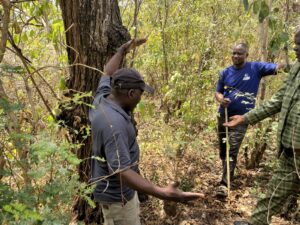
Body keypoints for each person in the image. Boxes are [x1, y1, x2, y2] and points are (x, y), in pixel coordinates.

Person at [89, 38, 203, 225]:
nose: (141, 98)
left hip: (118, 194)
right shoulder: (114, 125)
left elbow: (107, 72)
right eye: (141, 93)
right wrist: (163, 193)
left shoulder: (102, 98)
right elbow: (122, 171)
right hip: (119, 200)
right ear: (132, 93)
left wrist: (121, 50)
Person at [225, 30, 300, 225]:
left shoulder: (255, 67)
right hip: (290, 153)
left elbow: (272, 68)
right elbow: (277, 101)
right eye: (295, 46)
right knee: (273, 193)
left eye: (299, 47)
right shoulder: (297, 69)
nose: (296, 50)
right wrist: (245, 118)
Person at [215, 42, 284, 197]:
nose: (236, 56)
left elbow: (278, 67)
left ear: (247, 55)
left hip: (241, 119)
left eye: (239, 53)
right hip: (223, 115)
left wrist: (291, 64)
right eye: (234, 53)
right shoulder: (225, 72)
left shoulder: (255, 68)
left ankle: (225, 185)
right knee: (223, 149)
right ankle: (226, 172)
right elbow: (218, 92)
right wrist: (221, 100)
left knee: (232, 150)